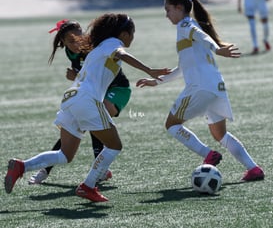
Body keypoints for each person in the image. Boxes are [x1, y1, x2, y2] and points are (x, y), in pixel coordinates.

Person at [4, 13, 170, 202]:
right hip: (87, 99)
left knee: (65, 155)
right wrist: (149, 70)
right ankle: (88, 186)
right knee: (114, 145)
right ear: (124, 33)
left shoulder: (98, 48)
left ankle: (22, 166)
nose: (133, 37)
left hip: (71, 98)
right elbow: (120, 53)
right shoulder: (112, 43)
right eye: (132, 33)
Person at [136, 0, 265, 181]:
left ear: (179, 8)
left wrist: (217, 49)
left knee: (171, 125)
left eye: (168, 9)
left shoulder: (185, 25)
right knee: (220, 134)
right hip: (216, 88)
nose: (166, 14)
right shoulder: (191, 27)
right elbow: (182, 68)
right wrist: (155, 82)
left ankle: (207, 154)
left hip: (200, 88)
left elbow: (202, 36)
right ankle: (254, 169)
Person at [28, 19, 132, 184]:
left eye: (79, 36)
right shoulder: (72, 53)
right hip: (95, 94)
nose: (76, 43)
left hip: (117, 90)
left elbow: (94, 74)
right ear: (63, 43)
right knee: (77, 125)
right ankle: (45, 169)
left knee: (92, 118)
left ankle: (98, 171)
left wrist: (75, 77)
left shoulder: (93, 45)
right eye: (70, 41)